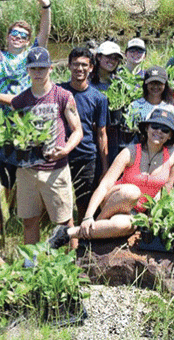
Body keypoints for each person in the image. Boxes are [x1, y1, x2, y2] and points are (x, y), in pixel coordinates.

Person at [0, 47, 83, 247]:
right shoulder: (24, 98)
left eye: (42, 68)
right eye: (34, 68)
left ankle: (74, 262)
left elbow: (77, 130)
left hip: (56, 169)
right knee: (29, 220)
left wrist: (66, 149)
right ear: (27, 70)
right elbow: (11, 105)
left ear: (50, 69)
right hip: (27, 170)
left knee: (64, 222)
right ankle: (30, 264)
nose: (38, 72)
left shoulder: (63, 96)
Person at [47, 109, 174, 247]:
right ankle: (94, 224)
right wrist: (88, 216)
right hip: (116, 199)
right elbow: (105, 185)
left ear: (170, 135)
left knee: (126, 226)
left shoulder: (173, 154)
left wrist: (155, 216)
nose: (159, 131)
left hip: (136, 211)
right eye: (155, 126)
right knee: (132, 192)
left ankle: (67, 233)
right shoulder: (131, 152)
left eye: (165, 129)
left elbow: (167, 189)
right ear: (147, 128)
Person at [0, 0, 51, 194]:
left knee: (29, 174)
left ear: (27, 41)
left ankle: (26, 213)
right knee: (6, 176)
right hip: (0, 122)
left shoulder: (32, 57)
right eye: (14, 34)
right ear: (7, 37)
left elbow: (44, 33)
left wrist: (45, 7)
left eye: (23, 36)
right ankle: (11, 214)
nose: (18, 37)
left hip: (27, 121)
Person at [59, 47, 109, 219]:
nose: (79, 69)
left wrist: (104, 167)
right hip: (60, 154)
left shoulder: (99, 98)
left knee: (83, 201)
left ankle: (82, 236)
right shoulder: (59, 92)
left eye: (83, 65)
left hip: (86, 155)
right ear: (68, 66)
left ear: (91, 68)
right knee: (58, 200)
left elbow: (102, 134)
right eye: (75, 64)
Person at [129, 66, 174, 195]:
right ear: (145, 84)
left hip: (163, 154)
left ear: (165, 85)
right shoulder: (135, 106)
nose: (155, 87)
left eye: (159, 83)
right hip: (140, 153)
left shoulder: (170, 108)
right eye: (152, 83)